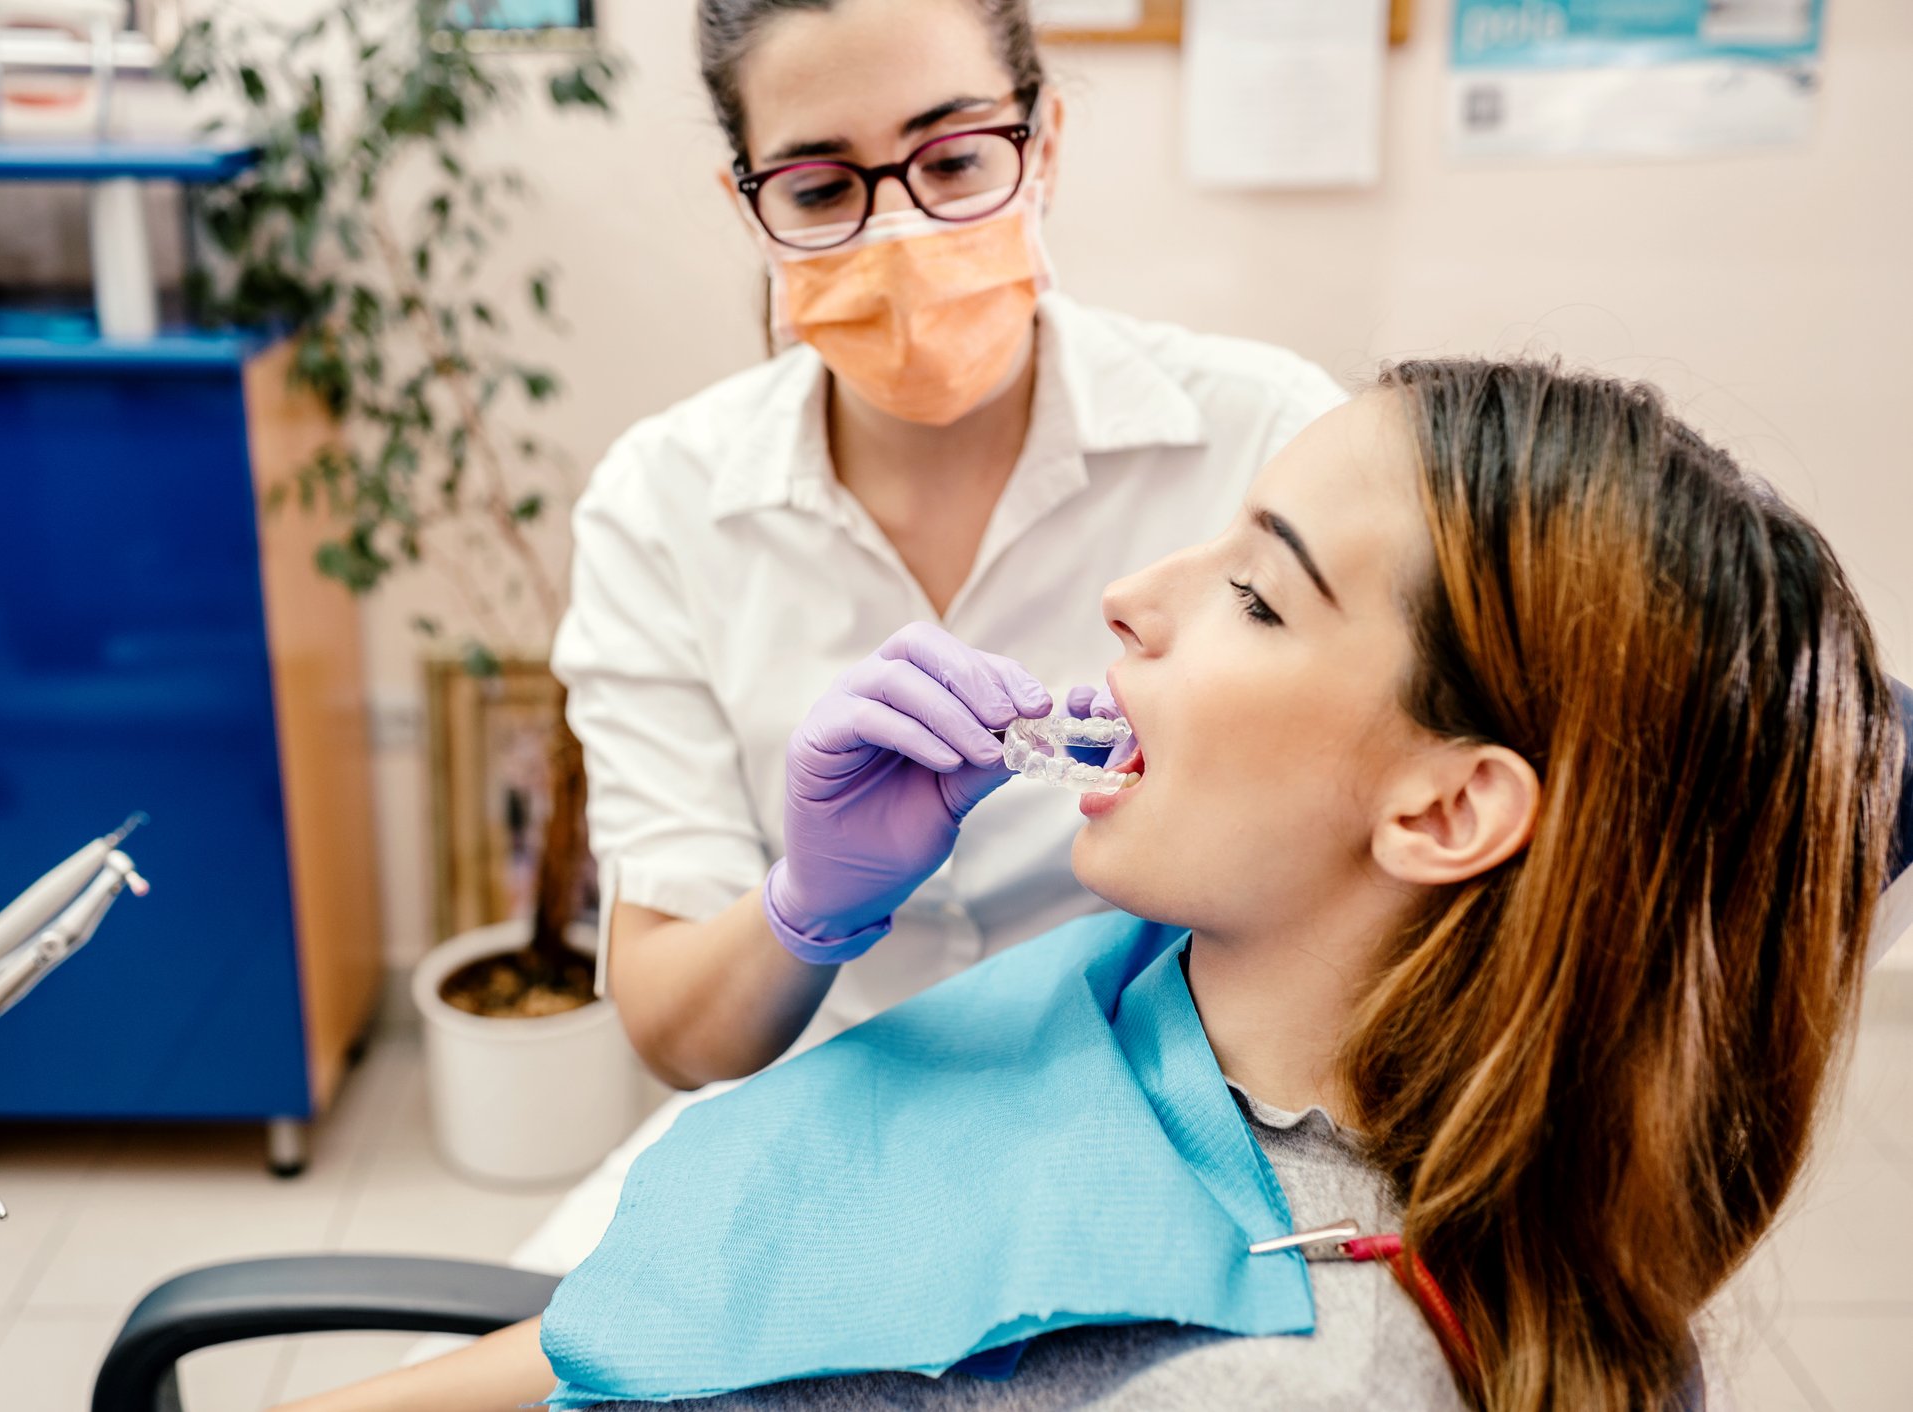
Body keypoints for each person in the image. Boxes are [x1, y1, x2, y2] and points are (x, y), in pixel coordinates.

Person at [282, 360, 1902, 1411]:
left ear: (1446, 806)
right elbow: (674, 1321)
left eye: (1256, 597)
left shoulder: (1272, 1368)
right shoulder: (1170, 977)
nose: (1131, 599)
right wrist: (808, 905)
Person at [547, 0, 1344, 1095]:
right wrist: (812, 903)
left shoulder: (1265, 438)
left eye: (956, 159)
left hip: (1183, 1099)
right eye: (822, 189)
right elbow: (680, 1034)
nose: (900, 234)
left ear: (1044, 144)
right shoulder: (661, 503)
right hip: (819, 1105)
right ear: (752, 211)